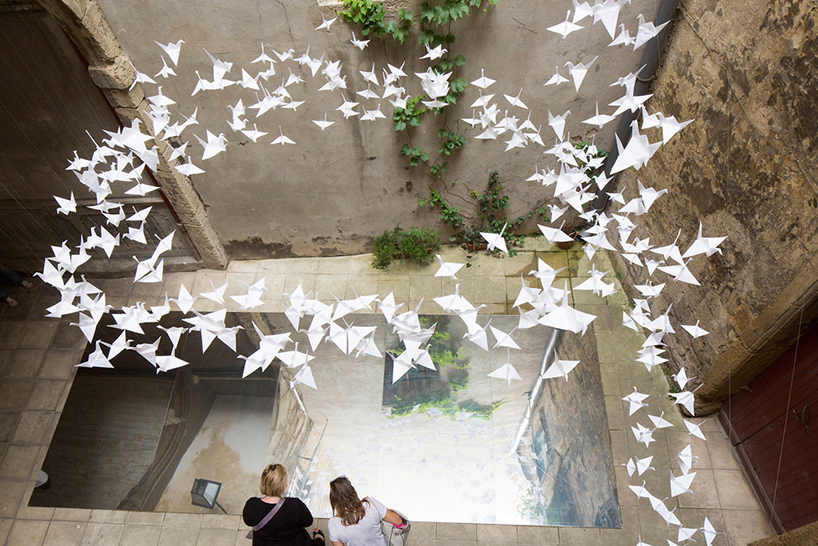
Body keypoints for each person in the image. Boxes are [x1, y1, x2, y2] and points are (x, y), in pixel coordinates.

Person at [243, 463, 325, 546]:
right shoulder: (295, 506)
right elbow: (308, 522)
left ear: (263, 482)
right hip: (294, 543)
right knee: (318, 542)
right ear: (284, 484)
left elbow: (248, 521)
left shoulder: (252, 506)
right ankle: (319, 538)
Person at [328, 476, 403, 546]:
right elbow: (398, 521)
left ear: (334, 501)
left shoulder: (333, 525)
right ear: (353, 491)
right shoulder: (370, 506)